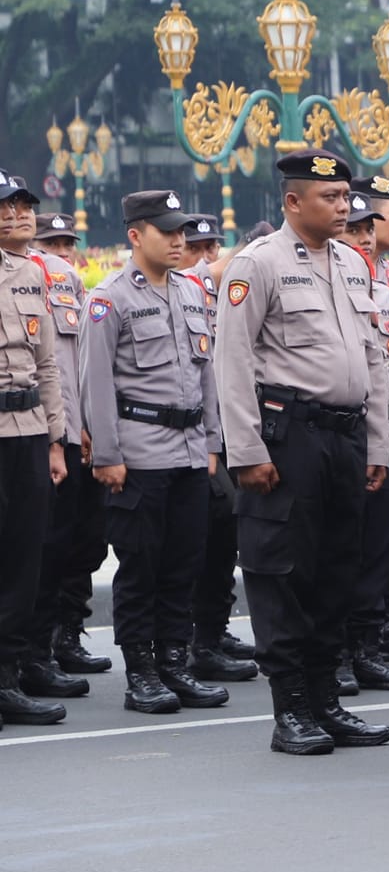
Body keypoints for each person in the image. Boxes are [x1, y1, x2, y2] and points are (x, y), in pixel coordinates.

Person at [215, 149, 389, 754]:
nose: (344, 208)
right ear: (293, 202)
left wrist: (378, 441)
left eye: (346, 198)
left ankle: (325, 699)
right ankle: (290, 706)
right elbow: (232, 361)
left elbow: (372, 355)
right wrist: (245, 450)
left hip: (345, 435)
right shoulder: (256, 264)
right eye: (331, 198)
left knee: (339, 567)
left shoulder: (351, 262)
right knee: (283, 570)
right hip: (287, 437)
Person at [79, 190, 228, 714]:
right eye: (167, 231)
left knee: (183, 564)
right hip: (138, 454)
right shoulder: (110, 298)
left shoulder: (189, 291)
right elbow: (94, 382)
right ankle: (141, 674)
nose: (179, 240)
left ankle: (173, 664)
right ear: (136, 235)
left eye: (182, 231)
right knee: (140, 566)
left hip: (189, 452)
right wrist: (107, 455)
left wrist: (212, 441)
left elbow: (206, 373)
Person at [331, 193, 389, 695]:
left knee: (381, 544)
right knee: (343, 548)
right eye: (355, 231)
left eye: (370, 230)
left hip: (381, 432)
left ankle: (366, 646)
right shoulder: (331, 283)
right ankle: (338, 653)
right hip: (339, 429)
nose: (364, 239)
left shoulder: (387, 285)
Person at [171, 214, 257, 682]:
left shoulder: (224, 296)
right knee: (199, 538)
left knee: (224, 537)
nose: (205, 257)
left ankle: (209, 634)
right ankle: (186, 643)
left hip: (223, 434)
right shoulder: (187, 288)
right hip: (188, 439)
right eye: (195, 248)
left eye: (211, 248)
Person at [0, 173, 68, 726]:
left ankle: (9, 677)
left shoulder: (33, 274)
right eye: (5, 205)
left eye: (24, 205)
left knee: (26, 558)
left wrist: (55, 441)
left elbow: (47, 365)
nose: (17, 214)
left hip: (26, 431)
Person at [22, 214, 94, 701]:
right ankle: (28, 654)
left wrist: (84, 426)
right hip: (23, 429)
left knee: (70, 544)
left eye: (70, 242)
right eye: (56, 241)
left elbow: (75, 359)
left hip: (64, 430)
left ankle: (46, 648)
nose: (64, 250)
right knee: (34, 549)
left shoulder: (62, 277)